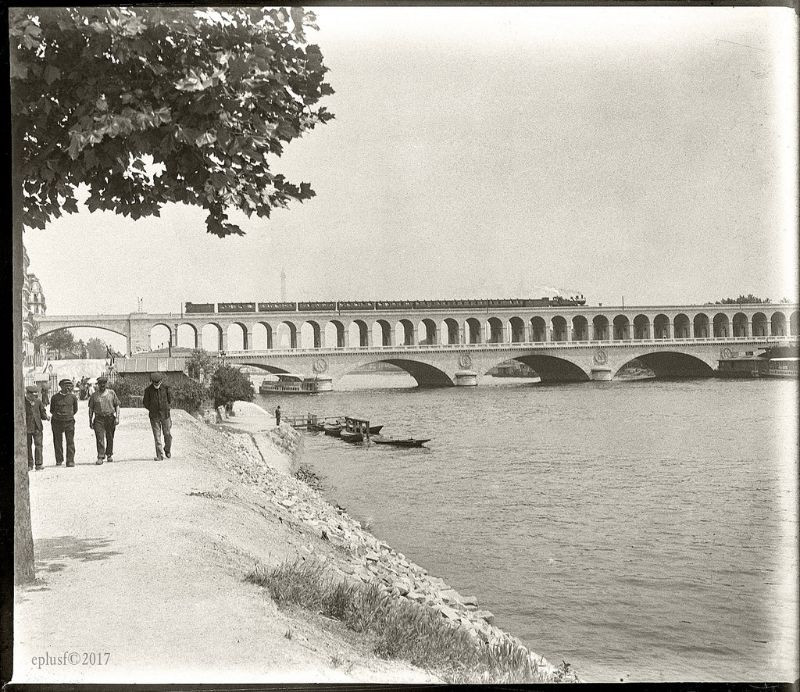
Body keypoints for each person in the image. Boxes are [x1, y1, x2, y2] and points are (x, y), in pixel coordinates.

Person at [88, 375, 120, 465]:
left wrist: (117, 417)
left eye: (104, 383)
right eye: (100, 384)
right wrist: (90, 420)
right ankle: (100, 456)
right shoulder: (94, 396)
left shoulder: (111, 393)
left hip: (110, 418)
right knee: (99, 437)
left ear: (106, 384)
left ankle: (109, 454)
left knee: (110, 437)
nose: (102, 385)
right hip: (98, 419)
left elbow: (117, 405)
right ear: (98, 385)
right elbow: (90, 409)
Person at [142, 372, 172, 460]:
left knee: (167, 434)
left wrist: (165, 408)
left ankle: (167, 449)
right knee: (157, 436)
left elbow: (169, 400)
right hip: (154, 416)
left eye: (158, 383)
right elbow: (145, 403)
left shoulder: (166, 388)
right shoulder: (148, 390)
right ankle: (159, 455)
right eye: (154, 383)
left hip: (165, 415)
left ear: (161, 381)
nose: (156, 384)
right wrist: (152, 409)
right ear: (152, 382)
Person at [50, 378, 78, 467]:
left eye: (69, 386)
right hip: (57, 422)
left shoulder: (73, 397)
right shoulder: (55, 397)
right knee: (57, 441)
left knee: (70, 441)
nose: (68, 388)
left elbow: (75, 409)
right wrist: (59, 415)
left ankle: (70, 461)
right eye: (66, 386)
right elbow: (52, 410)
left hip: (69, 421)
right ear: (61, 386)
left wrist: (68, 415)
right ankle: (59, 460)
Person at [25, 385, 50, 470]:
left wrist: (46, 417)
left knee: (39, 445)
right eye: (32, 395)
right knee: (28, 446)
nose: (34, 397)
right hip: (27, 428)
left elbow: (42, 412)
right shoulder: (23, 402)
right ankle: (29, 464)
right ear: (27, 394)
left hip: (37, 427)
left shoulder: (38, 401)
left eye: (35, 395)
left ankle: (39, 464)